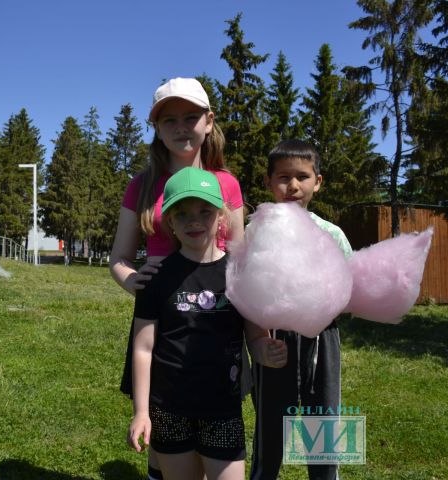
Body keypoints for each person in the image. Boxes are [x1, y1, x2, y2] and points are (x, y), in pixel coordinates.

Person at [109, 77, 245, 480]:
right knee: (163, 429)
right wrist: (132, 279)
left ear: (209, 121)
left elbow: (240, 257)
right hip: (162, 321)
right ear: (156, 128)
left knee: (216, 426)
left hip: (217, 325)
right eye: (169, 120)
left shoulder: (227, 184)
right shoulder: (142, 185)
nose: (181, 128)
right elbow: (118, 258)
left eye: (191, 117)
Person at [127, 167, 287, 480]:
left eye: (205, 211)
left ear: (222, 218)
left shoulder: (239, 275)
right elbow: (143, 348)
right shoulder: (155, 278)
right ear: (170, 221)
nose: (195, 221)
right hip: (169, 408)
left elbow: (254, 336)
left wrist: (264, 352)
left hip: (222, 408)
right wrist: (141, 412)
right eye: (183, 213)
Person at [249, 139, 353, 480]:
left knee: (323, 421)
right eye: (282, 177)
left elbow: (351, 289)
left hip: (322, 341)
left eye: (303, 177)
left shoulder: (331, 234)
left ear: (317, 182)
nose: (293, 185)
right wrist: (258, 342)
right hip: (274, 339)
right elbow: (244, 289)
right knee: (269, 428)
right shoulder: (254, 231)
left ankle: (325, 475)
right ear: (267, 182)